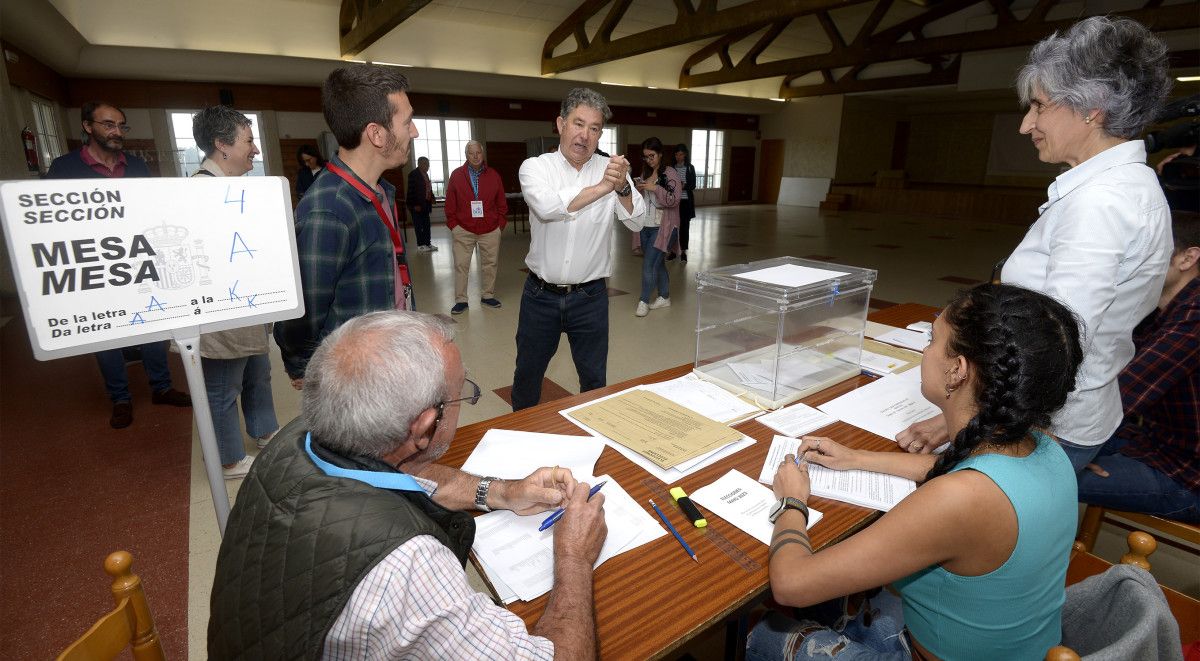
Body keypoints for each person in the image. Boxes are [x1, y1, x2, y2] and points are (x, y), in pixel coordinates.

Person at [209, 311, 608, 659]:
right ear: (424, 426)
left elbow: (400, 473)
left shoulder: (297, 439)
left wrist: (501, 492)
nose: (462, 401)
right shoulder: (405, 567)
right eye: (459, 397)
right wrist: (573, 557)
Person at [897, 16, 1173, 472]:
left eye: (1039, 106)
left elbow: (1054, 347)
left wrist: (965, 422)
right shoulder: (1124, 187)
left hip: (1046, 426)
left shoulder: (1102, 202)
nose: (1027, 125)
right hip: (1066, 415)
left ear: (1092, 108)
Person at [751, 283, 1083, 661]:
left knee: (760, 628)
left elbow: (791, 584)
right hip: (1017, 646)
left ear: (957, 371)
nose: (924, 351)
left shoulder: (960, 498)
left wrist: (792, 501)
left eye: (932, 339)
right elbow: (960, 471)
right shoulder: (1044, 446)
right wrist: (856, 458)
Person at [45, 101, 191, 429]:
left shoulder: (137, 166)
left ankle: (161, 386)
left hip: (138, 258)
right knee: (106, 332)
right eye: (108, 124)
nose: (116, 131)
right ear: (87, 126)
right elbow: (51, 224)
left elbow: (152, 210)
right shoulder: (64, 168)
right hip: (96, 265)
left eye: (121, 125)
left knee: (153, 323)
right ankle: (120, 397)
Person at [274, 64, 419, 390]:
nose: (414, 132)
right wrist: (301, 366)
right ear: (376, 133)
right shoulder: (329, 211)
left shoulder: (381, 192)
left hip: (389, 358)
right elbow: (303, 312)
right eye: (407, 121)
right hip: (356, 379)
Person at [511, 88, 645, 411]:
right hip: (540, 296)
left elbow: (637, 220)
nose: (585, 135)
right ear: (560, 124)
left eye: (595, 128)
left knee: (594, 381)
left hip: (590, 298)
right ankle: (518, 440)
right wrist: (604, 187)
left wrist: (623, 185)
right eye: (578, 124)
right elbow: (549, 207)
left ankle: (591, 444)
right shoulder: (536, 167)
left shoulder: (610, 169)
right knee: (528, 377)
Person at [1078, 210, 1199, 522]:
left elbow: (1124, 391)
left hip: (1187, 476)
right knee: (1045, 457)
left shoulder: (1193, 317)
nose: (1133, 263)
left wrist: (1070, 453)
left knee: (1044, 476)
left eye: (1150, 253)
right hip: (1155, 444)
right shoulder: (1163, 306)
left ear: (1187, 259)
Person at [190, 106, 280, 479]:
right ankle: (228, 459)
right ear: (221, 145)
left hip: (250, 304)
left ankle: (263, 431)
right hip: (222, 312)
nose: (255, 150)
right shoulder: (200, 190)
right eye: (248, 141)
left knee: (258, 372)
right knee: (223, 386)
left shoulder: (235, 186)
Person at [445, 140, 508, 314]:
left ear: (483, 153)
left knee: (490, 264)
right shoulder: (457, 175)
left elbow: (501, 203)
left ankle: (488, 295)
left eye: (478, 152)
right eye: (471, 153)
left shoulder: (494, 175)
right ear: (466, 155)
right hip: (463, 229)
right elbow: (450, 202)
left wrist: (499, 225)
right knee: (461, 265)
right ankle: (461, 300)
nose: (475, 156)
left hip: (490, 229)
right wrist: (454, 225)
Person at [633, 137, 681, 317]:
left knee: (648, 265)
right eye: (645, 157)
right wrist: (639, 189)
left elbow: (674, 199)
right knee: (657, 263)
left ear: (660, 154)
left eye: (652, 155)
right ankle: (664, 296)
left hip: (663, 227)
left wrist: (655, 188)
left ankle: (643, 301)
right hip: (645, 226)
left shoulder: (670, 174)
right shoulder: (645, 173)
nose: (649, 160)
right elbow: (642, 200)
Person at [407, 155, 437, 251]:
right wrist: (415, 205)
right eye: (425, 164)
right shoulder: (413, 174)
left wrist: (432, 198)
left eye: (428, 164)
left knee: (426, 225)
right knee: (419, 226)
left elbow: (428, 189)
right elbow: (411, 191)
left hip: (425, 204)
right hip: (417, 205)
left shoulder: (426, 175)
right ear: (419, 164)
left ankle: (428, 244)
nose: (427, 166)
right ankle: (421, 245)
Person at [673, 143, 697, 263]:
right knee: (672, 227)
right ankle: (672, 250)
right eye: (677, 154)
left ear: (685, 155)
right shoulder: (671, 168)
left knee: (684, 227)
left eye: (681, 154)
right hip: (673, 202)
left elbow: (693, 185)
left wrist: (684, 185)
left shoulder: (690, 168)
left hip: (685, 202)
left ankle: (683, 252)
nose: (678, 156)